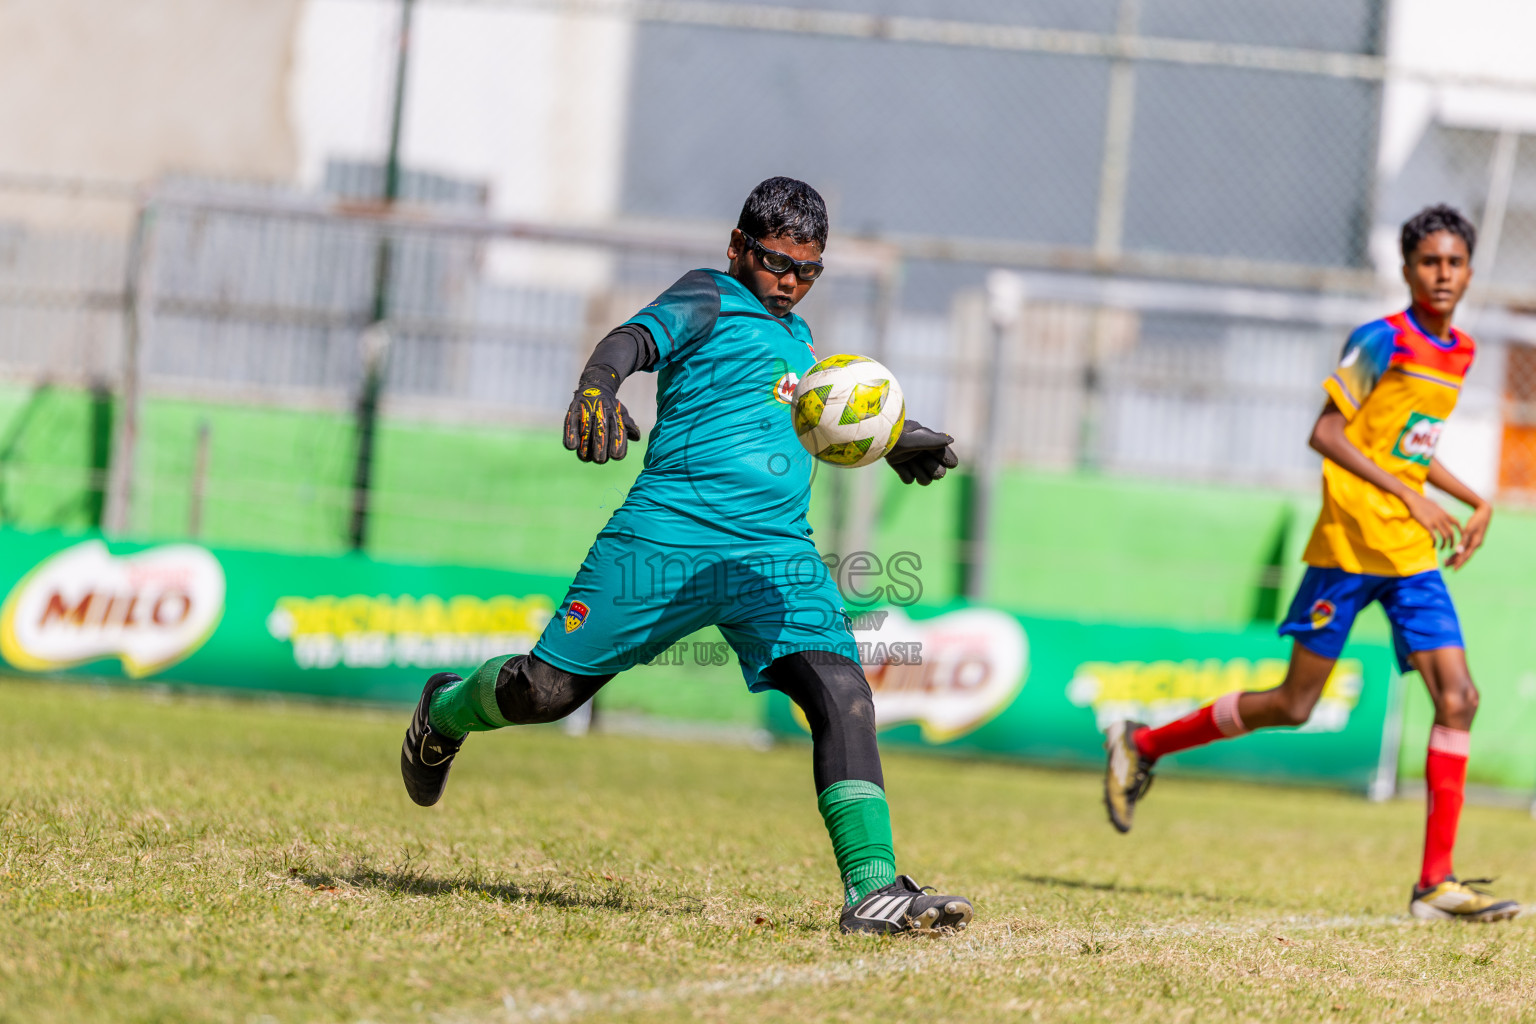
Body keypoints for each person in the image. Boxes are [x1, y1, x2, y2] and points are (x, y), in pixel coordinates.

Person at [399, 177, 973, 934]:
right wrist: (600, 386)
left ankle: (872, 890)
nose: (789, 284)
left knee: (844, 694)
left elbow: (822, 411)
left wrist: (899, 436)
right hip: (666, 538)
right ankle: (444, 710)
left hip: (773, 554)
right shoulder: (707, 293)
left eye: (808, 272)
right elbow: (631, 340)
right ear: (738, 248)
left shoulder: (798, 342)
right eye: (775, 263)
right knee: (544, 693)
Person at [1102, 204, 1521, 923]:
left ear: (1471, 270)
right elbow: (1326, 433)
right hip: (1350, 544)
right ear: (1407, 269)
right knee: (1294, 705)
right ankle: (1142, 742)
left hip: (1411, 555)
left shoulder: (1462, 350)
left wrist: (1470, 497)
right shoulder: (1376, 341)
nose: (1442, 274)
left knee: (1461, 697)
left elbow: (1409, 447)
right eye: (1429, 262)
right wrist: (1408, 496)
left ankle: (1435, 885)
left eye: (1454, 262)